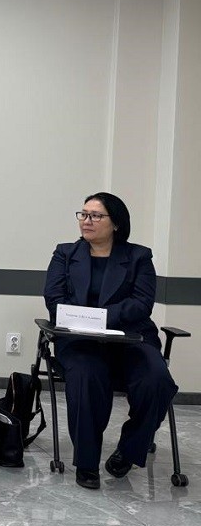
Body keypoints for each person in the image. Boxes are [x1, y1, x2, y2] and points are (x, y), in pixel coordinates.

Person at [43, 192, 178, 490]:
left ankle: (129, 451)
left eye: (95, 215)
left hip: (131, 339)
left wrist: (99, 317)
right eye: (83, 214)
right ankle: (86, 463)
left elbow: (142, 304)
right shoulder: (65, 254)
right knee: (86, 375)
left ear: (116, 223)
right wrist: (89, 322)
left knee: (157, 380)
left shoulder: (139, 257)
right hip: (80, 340)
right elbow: (54, 299)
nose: (86, 221)